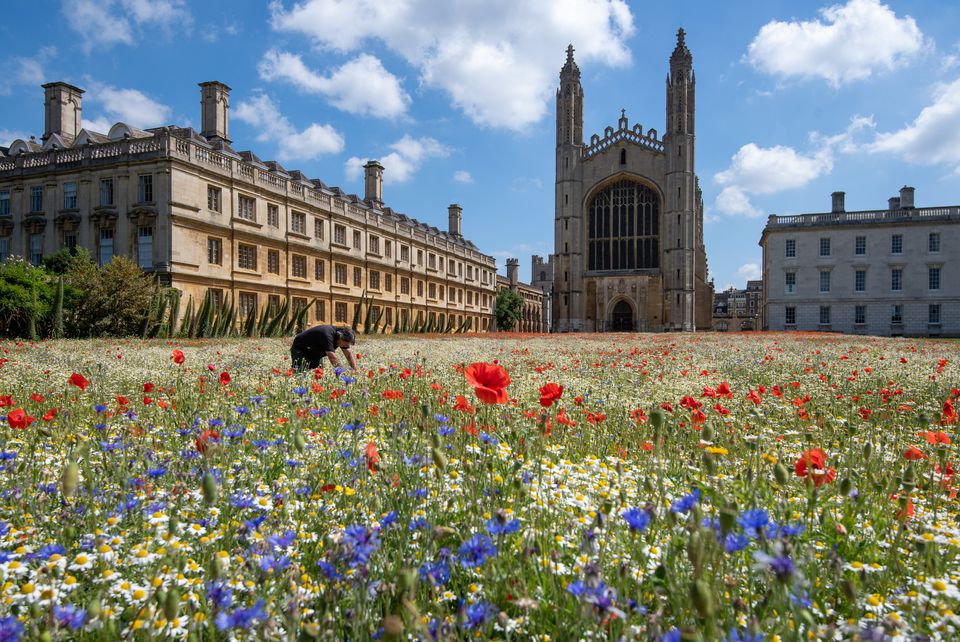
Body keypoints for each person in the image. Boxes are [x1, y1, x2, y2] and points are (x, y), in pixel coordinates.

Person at [290, 325, 357, 372]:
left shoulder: (343, 336)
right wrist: (341, 372)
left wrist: (355, 370)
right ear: (340, 338)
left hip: (315, 352)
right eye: (346, 343)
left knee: (318, 375)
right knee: (299, 373)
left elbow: (349, 354)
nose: (347, 346)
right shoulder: (327, 335)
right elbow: (332, 357)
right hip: (300, 349)